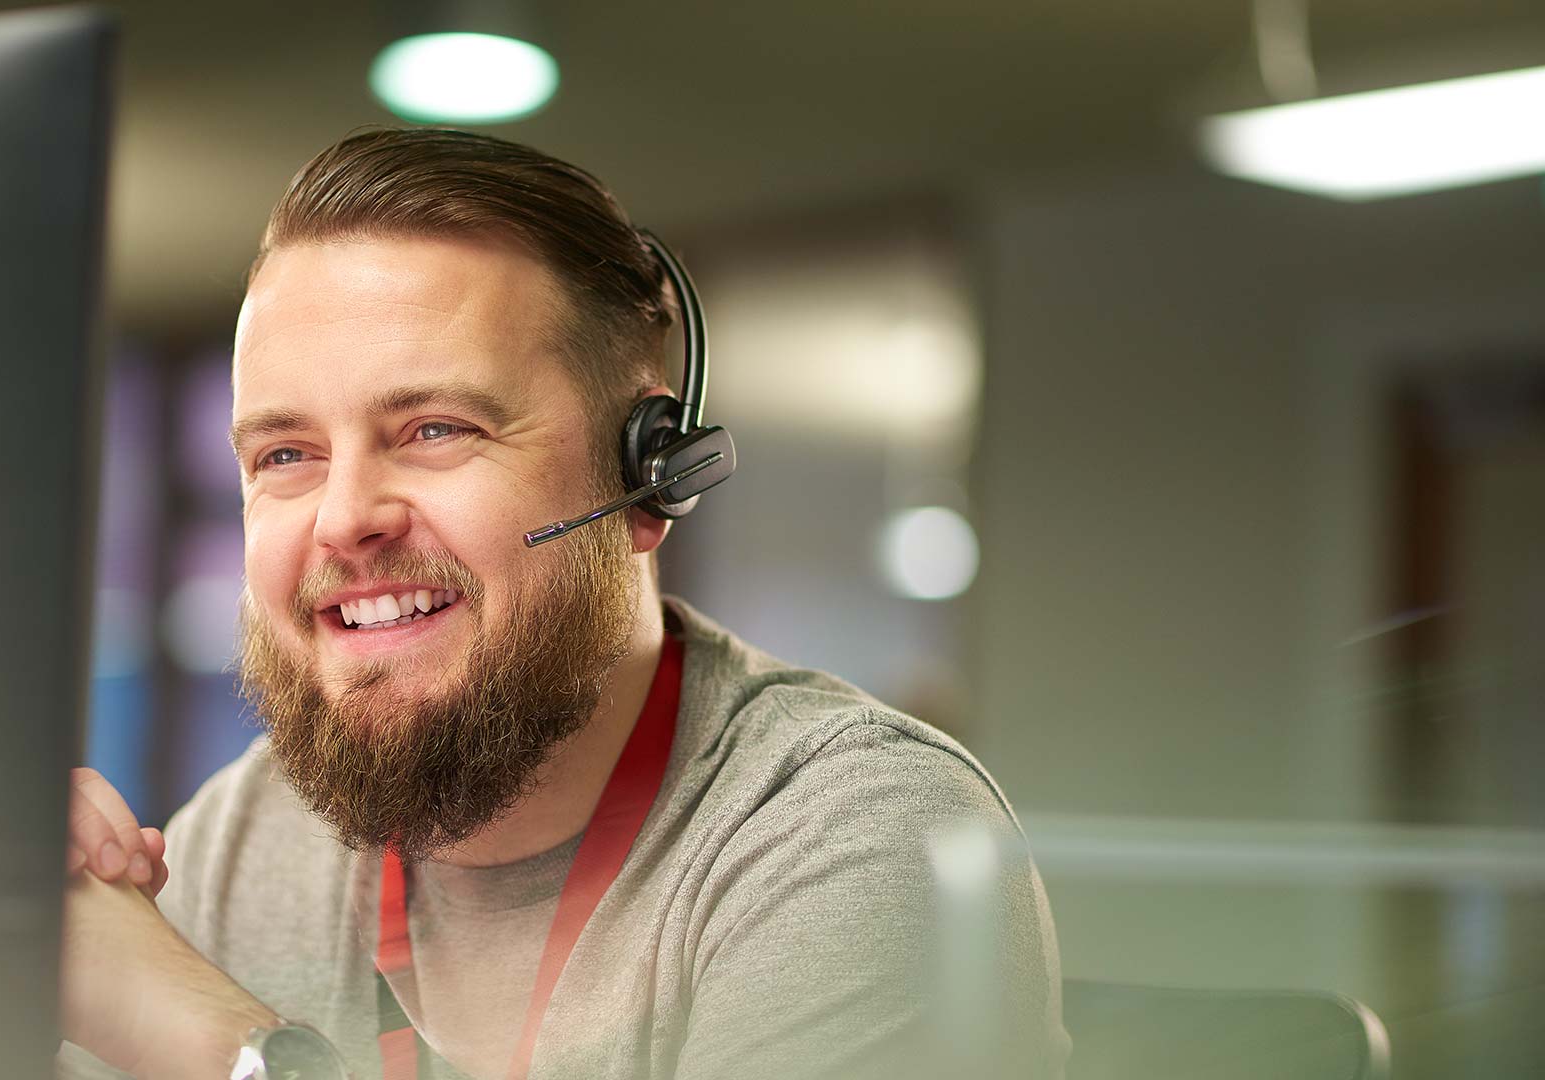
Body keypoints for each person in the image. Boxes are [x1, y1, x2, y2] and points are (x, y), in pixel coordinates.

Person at [56, 128, 1069, 1080]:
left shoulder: (857, 836)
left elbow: (177, 1020)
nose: (343, 520)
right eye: (285, 456)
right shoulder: (247, 836)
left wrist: (216, 1042)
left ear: (645, 479)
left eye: (435, 430)